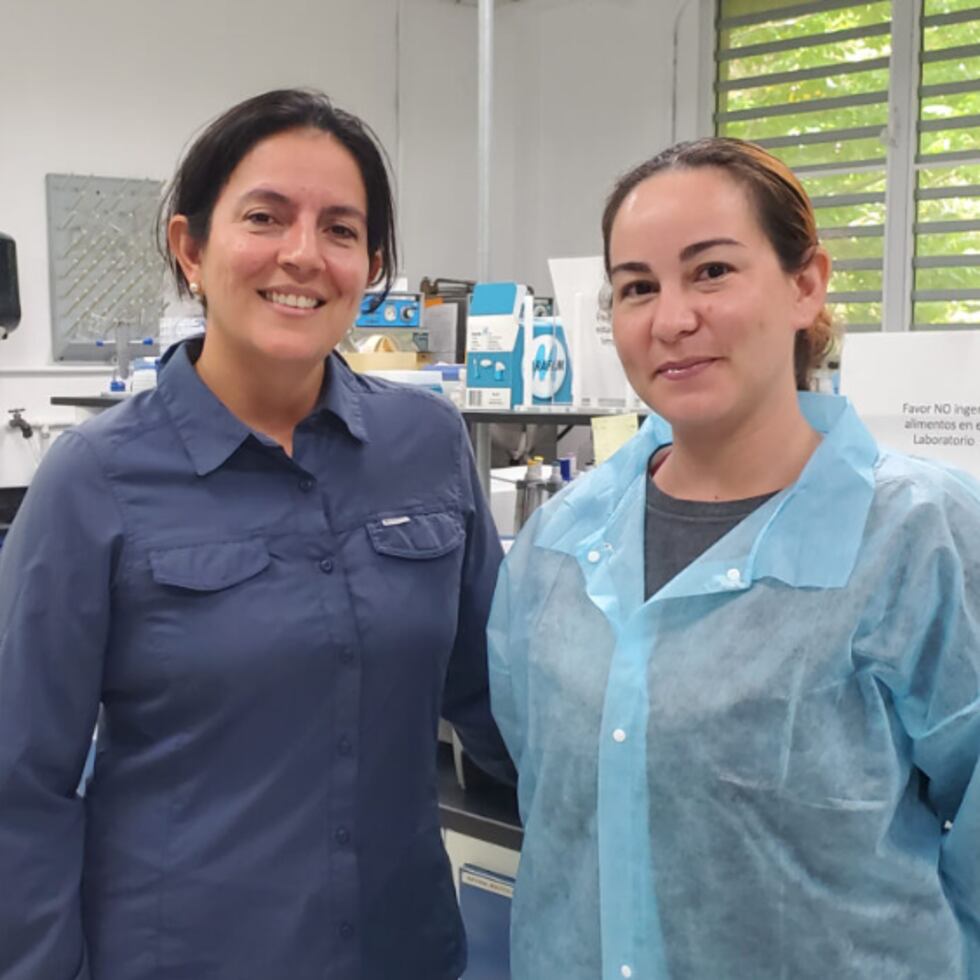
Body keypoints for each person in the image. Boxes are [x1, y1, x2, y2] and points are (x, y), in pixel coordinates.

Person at [0, 88, 510, 980]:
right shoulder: (95, 479)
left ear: (372, 263)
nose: (303, 256)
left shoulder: (426, 445)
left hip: (403, 950)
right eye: (266, 217)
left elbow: (501, 698)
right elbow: (21, 783)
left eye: (341, 230)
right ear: (190, 248)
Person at [487, 137, 980, 979]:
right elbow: (547, 789)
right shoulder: (560, 543)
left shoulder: (920, 534)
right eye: (637, 287)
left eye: (711, 271)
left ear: (806, 284)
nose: (672, 318)